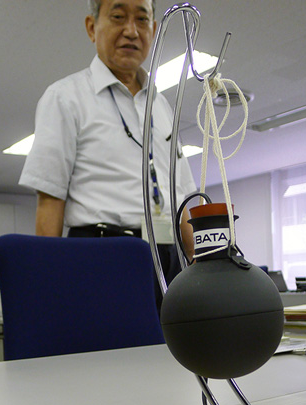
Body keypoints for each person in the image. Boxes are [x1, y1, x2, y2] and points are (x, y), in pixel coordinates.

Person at [18, 0, 196, 286]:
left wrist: (196, 263)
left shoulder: (161, 106)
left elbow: (181, 193)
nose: (131, 31)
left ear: (152, 29)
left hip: (168, 257)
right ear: (92, 27)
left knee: (169, 333)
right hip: (100, 255)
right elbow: (50, 198)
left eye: (141, 19)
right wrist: (48, 282)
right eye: (117, 16)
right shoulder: (65, 97)